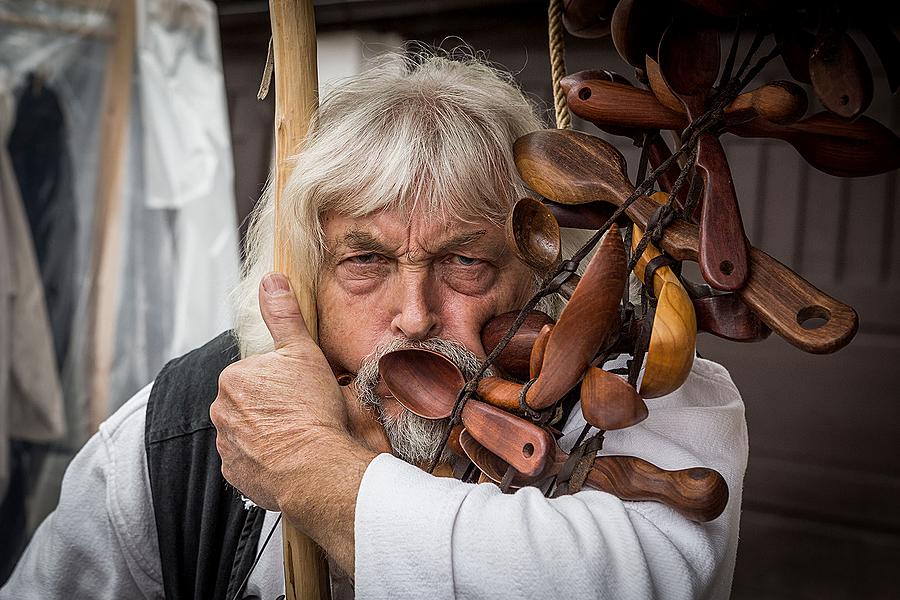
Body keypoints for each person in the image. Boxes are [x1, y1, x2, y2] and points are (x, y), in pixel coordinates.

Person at [0, 51, 748, 600]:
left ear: (542, 273)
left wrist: (322, 477)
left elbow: (629, 579)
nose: (417, 315)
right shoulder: (183, 424)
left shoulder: (650, 392)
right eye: (365, 259)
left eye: (465, 262)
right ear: (302, 279)